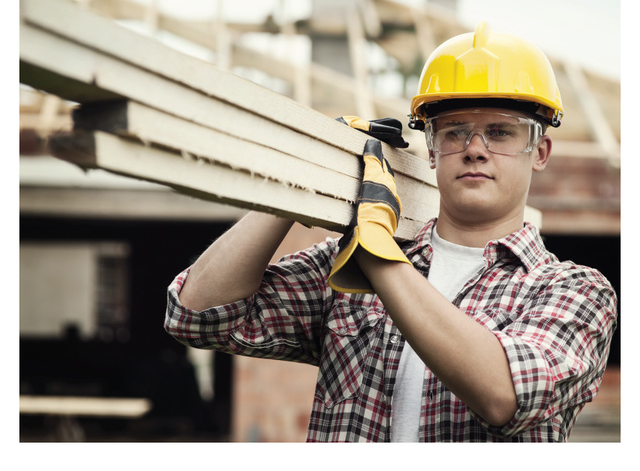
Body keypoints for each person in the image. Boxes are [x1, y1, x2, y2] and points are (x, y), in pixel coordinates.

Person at [164, 22, 617, 442]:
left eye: (500, 132)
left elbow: (504, 394)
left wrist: (377, 256)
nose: (475, 149)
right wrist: (303, 184)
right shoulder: (347, 261)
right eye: (455, 131)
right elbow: (196, 314)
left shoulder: (575, 291)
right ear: (432, 150)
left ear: (540, 151)